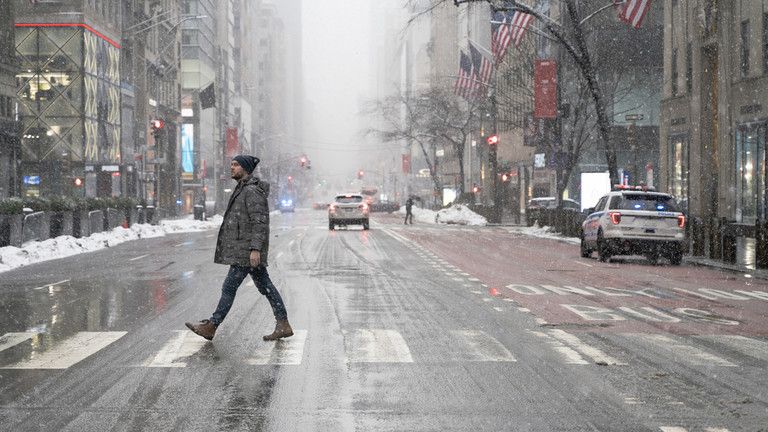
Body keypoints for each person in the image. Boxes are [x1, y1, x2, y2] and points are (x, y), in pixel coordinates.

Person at [186, 155, 293, 341]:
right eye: (232, 164)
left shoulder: (251, 191)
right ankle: (283, 323)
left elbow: (258, 222)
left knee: (229, 287)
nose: (232, 168)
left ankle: (212, 325)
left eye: (236, 165)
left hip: (246, 251)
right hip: (244, 249)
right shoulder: (243, 189)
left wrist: (255, 249)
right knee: (265, 286)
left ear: (245, 168)